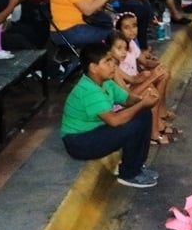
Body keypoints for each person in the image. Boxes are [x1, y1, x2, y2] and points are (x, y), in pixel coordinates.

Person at [60, 42, 160, 189]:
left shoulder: (106, 82)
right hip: (78, 142)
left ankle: (136, 166)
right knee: (134, 124)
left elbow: (127, 100)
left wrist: (143, 100)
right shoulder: (89, 90)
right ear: (93, 68)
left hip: (93, 131)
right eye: (107, 61)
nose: (113, 65)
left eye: (112, 61)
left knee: (143, 113)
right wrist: (142, 104)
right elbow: (114, 121)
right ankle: (129, 174)